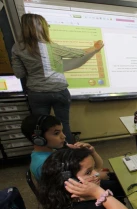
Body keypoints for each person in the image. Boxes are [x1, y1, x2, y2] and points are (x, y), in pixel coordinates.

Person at [12, 14, 104, 144]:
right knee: (63, 124)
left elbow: (19, 73)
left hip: (37, 93)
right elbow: (78, 53)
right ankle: (68, 153)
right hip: (59, 91)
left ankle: (47, 152)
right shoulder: (51, 46)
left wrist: (34, 68)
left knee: (41, 125)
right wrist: (95, 48)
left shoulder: (17, 48)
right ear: (42, 27)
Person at [21, 114, 124, 198]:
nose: (63, 136)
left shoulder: (53, 152)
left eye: (62, 131)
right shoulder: (46, 163)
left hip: (82, 186)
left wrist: (91, 152)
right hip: (73, 198)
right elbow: (85, 179)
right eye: (56, 133)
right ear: (37, 138)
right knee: (122, 186)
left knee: (118, 178)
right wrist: (101, 175)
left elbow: (98, 167)